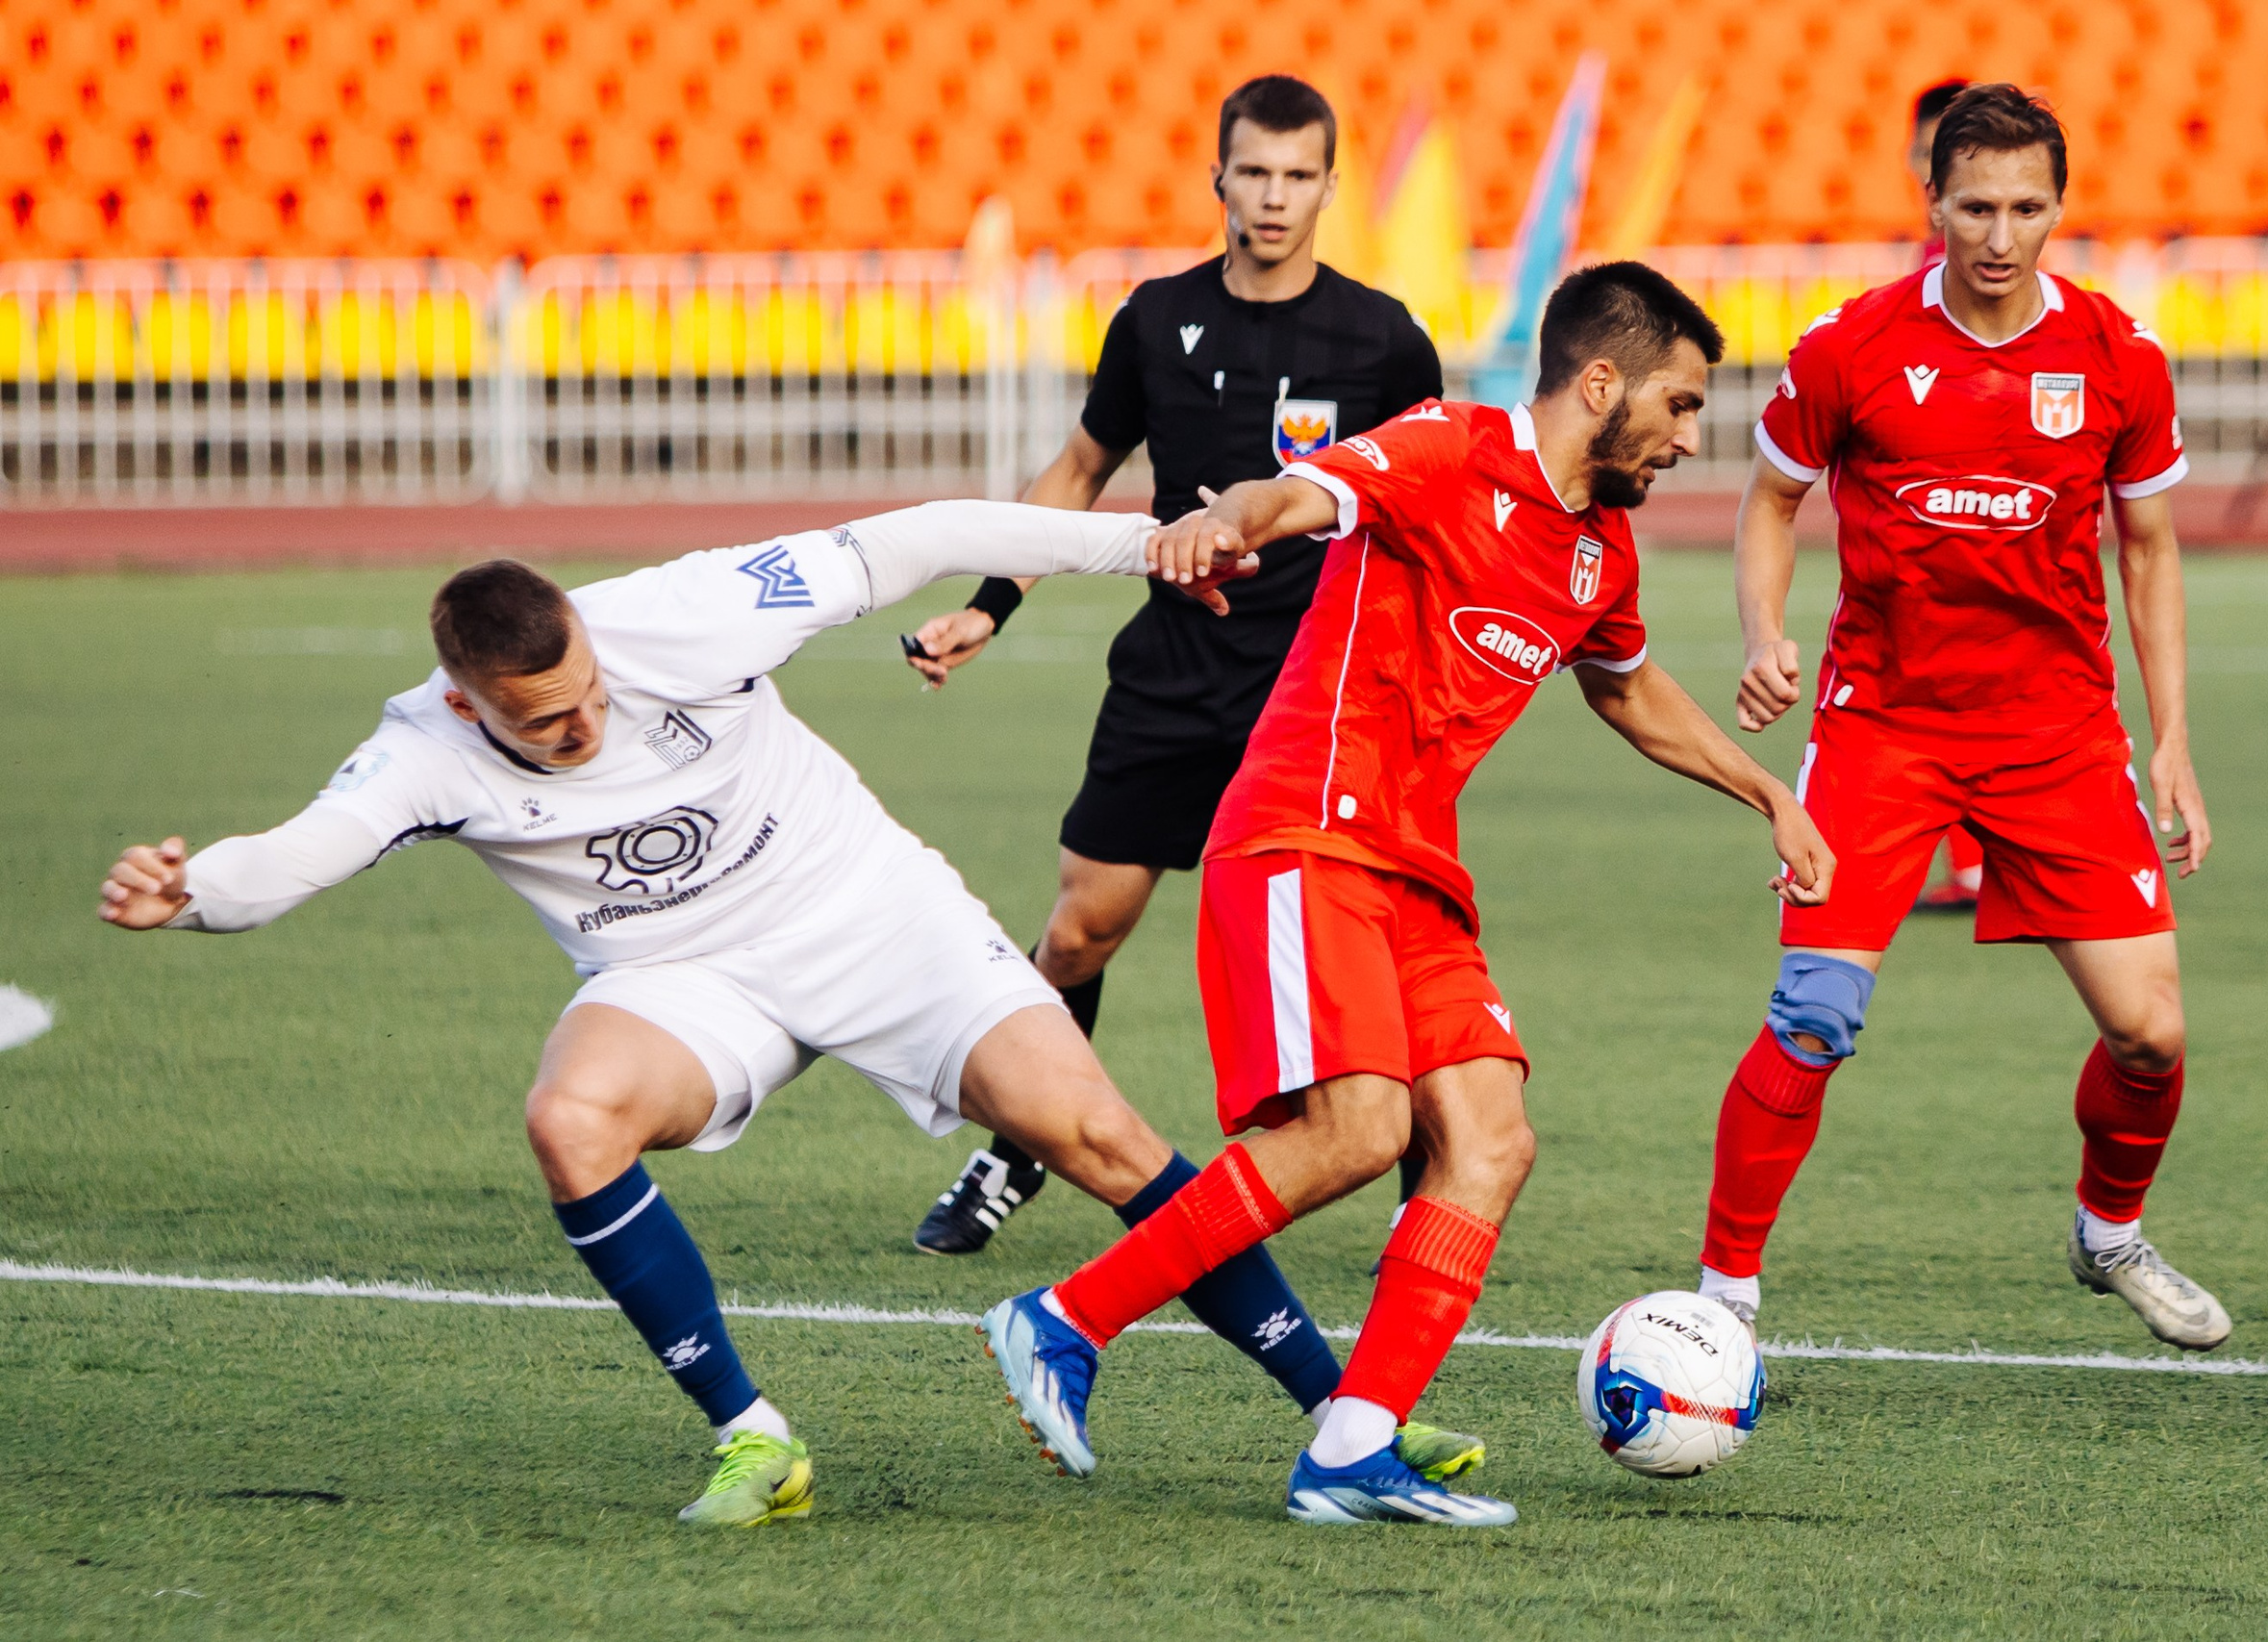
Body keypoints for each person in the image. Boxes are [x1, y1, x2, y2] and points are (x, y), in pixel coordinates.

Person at [93, 501, 1449, 1527]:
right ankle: (754, 1435)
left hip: (865, 908)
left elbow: (917, 539)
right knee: (570, 1117)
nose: (583, 725)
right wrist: (193, 889)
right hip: (683, 978)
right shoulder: (421, 748)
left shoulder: (683, 613)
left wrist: (1143, 542)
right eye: (545, 723)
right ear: (465, 702)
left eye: (588, 693)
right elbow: (304, 852)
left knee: (1099, 1133)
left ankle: (1343, 1414)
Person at [975, 262, 1834, 1528]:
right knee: (1358, 1129)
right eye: (1682, 403)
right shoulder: (1447, 447)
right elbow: (1299, 492)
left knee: (1490, 1138)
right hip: (1307, 831)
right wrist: (1228, 523)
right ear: (1603, 384)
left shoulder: (1599, 551)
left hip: (1420, 871)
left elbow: (1626, 687)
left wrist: (1766, 792)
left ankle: (1353, 1448)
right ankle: (1063, 1319)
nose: (1689, 437)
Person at [1697, 84, 2230, 1351]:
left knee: (2150, 1034)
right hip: (1882, 728)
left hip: (2059, 736)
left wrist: (2172, 739)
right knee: (1813, 1015)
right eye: (1976, 206)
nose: (2000, 235)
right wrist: (1763, 634)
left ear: (2058, 208)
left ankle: (2109, 1230)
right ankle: (1719, 1303)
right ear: (1930, 199)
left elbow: (2148, 549)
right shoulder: (1850, 347)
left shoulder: (2116, 356)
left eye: (2027, 208)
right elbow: (1769, 501)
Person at [900, 73, 1444, 1257]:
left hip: (1312, 696)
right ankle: (1016, 1149)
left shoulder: (1384, 338)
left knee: (1378, 944)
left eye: (1297, 176)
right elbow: (1078, 470)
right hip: (1171, 676)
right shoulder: (1155, 319)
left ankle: (1429, 1179)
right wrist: (991, 603)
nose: (1274, 196)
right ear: (1218, 180)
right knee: (1079, 933)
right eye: (1254, 172)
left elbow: (1428, 501)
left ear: (1329, 187)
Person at [1903, 77, 1988, 914]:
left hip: (1966, 512)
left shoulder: (1961, 269)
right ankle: (1974, 866)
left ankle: (1986, 864)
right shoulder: (1928, 267)